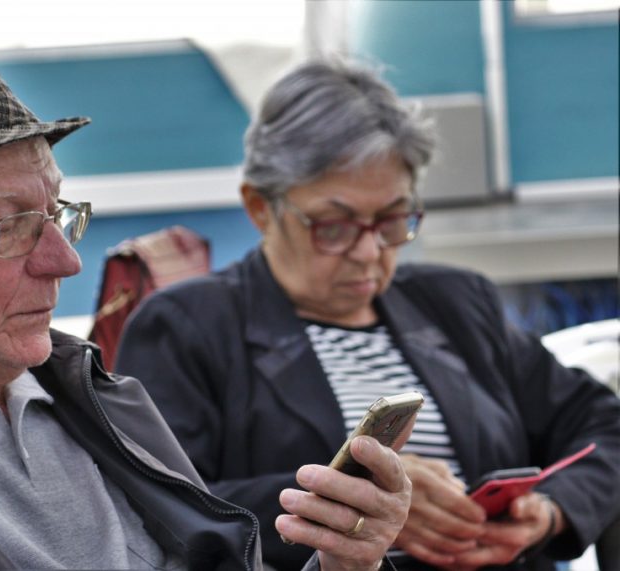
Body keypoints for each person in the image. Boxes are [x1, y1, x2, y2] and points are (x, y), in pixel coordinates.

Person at [0, 36, 412, 571]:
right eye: (12, 225)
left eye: (56, 215)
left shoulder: (94, 391)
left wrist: (344, 564)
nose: (65, 261)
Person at [115, 60, 620, 571]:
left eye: (392, 220)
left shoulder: (456, 303)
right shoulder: (189, 326)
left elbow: (602, 422)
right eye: (333, 226)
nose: (367, 252)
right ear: (260, 207)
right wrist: (355, 498)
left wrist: (552, 511)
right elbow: (159, 502)